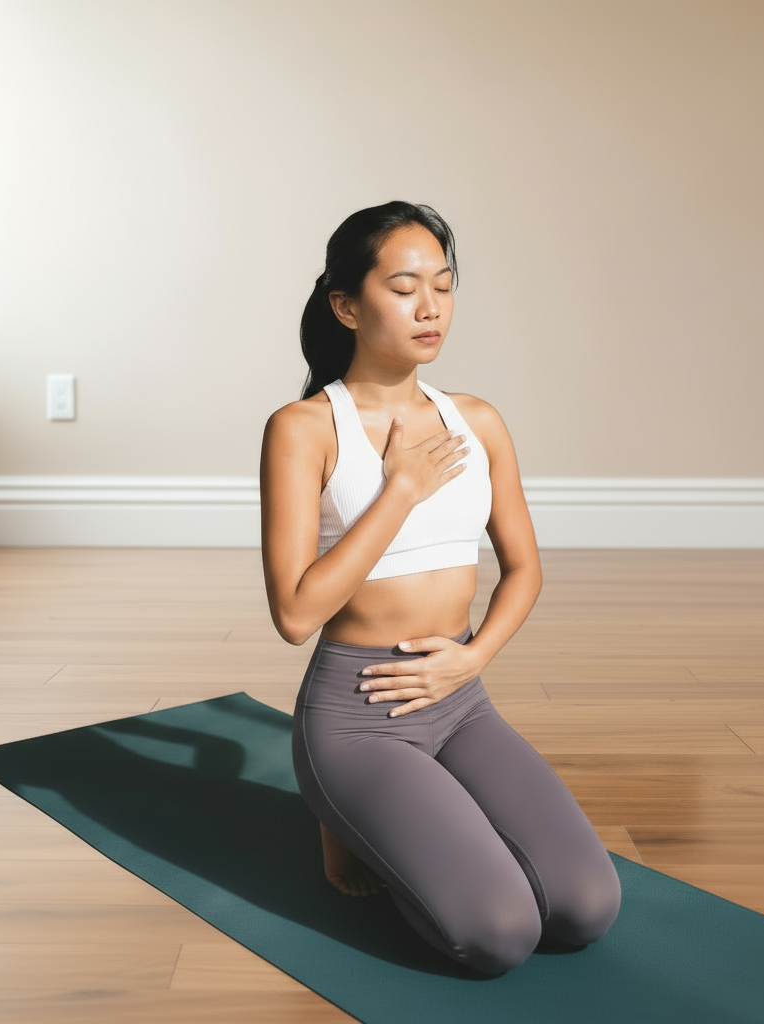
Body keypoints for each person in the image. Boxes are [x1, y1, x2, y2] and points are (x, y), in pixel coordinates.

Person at [259, 201, 620, 975]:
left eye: (444, 286)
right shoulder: (304, 429)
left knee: (587, 908)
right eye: (404, 286)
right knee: (499, 936)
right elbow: (295, 613)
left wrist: (473, 657)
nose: (430, 307)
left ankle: (391, 824)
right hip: (358, 718)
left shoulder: (478, 420)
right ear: (347, 305)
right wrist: (398, 491)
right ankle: (346, 815)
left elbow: (524, 569)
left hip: (459, 698)